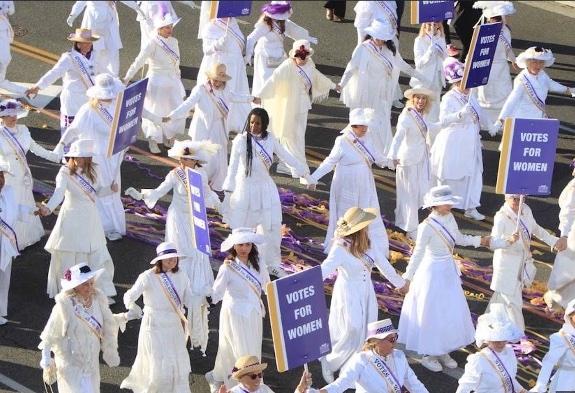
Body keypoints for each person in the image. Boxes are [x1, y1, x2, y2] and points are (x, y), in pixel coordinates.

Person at [124, 140, 221, 353]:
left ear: (195, 161)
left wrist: (221, 205)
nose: (182, 161)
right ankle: (178, 283)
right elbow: (159, 191)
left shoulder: (201, 177)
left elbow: (207, 195)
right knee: (181, 253)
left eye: (186, 158)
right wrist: (141, 195)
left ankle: (194, 289)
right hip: (177, 219)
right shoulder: (174, 175)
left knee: (197, 253)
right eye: (181, 158)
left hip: (196, 219)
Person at [398, 185, 507, 373]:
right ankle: (429, 353)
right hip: (431, 274)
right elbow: (417, 254)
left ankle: (442, 349)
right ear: (435, 205)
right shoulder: (426, 227)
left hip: (447, 270)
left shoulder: (449, 217)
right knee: (432, 313)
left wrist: (479, 241)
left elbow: (458, 239)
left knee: (447, 312)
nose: (450, 205)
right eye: (445, 203)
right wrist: (407, 278)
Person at [221, 108, 315, 278]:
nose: (253, 126)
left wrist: (305, 174)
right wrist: (228, 194)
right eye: (251, 122)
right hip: (246, 190)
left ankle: (272, 264)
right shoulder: (241, 141)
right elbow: (232, 168)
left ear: (264, 124)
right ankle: (241, 264)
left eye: (257, 123)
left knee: (271, 229)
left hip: (266, 189)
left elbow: (287, 157)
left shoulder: (270, 139)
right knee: (243, 230)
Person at [318, 207, 408, 383]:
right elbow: (324, 270)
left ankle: (351, 370)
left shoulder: (369, 243)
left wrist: (401, 284)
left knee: (367, 331)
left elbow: (384, 266)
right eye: (365, 225)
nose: (368, 227)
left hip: (366, 292)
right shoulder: (340, 248)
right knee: (352, 330)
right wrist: (300, 283)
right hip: (348, 294)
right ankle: (329, 363)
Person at [35, 139, 116, 301]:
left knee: (96, 252)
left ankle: (99, 291)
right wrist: (48, 209)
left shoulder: (95, 169)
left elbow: (97, 192)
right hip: (72, 217)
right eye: (77, 156)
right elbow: (58, 194)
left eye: (83, 156)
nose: (80, 159)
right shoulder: (65, 172)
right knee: (70, 253)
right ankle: (72, 290)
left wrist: (110, 189)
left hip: (90, 217)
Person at [38, 262, 138, 393]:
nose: (90, 287)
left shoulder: (98, 300)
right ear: (75, 287)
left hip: (91, 364)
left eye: (91, 283)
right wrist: (45, 357)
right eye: (85, 284)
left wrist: (125, 316)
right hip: (71, 364)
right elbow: (49, 334)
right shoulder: (64, 306)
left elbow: (106, 321)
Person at [309, 108, 390, 257]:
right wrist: (313, 178)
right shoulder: (342, 141)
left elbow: (377, 157)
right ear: (353, 126)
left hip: (365, 182)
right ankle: (344, 249)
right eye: (361, 126)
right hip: (346, 183)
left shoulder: (369, 138)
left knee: (368, 212)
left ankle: (370, 248)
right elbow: (329, 162)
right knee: (347, 214)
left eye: (366, 126)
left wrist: (391, 162)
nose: (364, 129)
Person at [55, 73, 127, 241]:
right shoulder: (88, 110)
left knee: (114, 188)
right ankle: (105, 227)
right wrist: (61, 144)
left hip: (114, 155)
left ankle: (115, 225)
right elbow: (73, 129)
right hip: (97, 156)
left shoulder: (118, 105)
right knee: (102, 187)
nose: (109, 97)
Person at [164, 63, 257, 191]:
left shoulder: (226, 89)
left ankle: (218, 182)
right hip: (203, 128)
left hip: (219, 126)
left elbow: (235, 96)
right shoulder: (201, 89)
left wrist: (251, 98)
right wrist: (172, 115)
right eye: (215, 80)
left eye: (220, 81)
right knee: (202, 155)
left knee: (219, 154)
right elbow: (187, 104)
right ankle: (200, 183)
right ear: (210, 78)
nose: (217, 83)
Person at [339, 19, 425, 157]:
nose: (379, 40)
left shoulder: (390, 50)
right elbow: (351, 67)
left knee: (382, 119)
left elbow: (402, 64)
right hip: (367, 90)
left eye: (382, 37)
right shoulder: (364, 48)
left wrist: (419, 76)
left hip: (382, 91)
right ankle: (362, 150)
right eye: (377, 36)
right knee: (366, 119)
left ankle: (383, 152)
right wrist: (342, 84)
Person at [121, 242, 194, 393]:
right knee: (156, 358)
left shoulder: (182, 275)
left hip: (174, 322)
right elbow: (129, 295)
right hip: (153, 323)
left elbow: (188, 298)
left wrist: (202, 302)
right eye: (168, 259)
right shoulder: (147, 276)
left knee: (174, 357)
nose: (172, 261)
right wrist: (132, 307)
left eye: (174, 258)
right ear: (160, 260)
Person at [257, 39, 336, 176]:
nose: (302, 59)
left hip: (303, 105)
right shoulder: (287, 66)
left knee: (298, 136)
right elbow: (273, 80)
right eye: (300, 56)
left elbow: (318, 77)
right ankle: (294, 166)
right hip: (289, 106)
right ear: (295, 55)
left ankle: (293, 165)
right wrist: (260, 95)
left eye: (304, 56)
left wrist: (333, 85)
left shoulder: (310, 65)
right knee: (290, 135)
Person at [430, 57, 495, 221]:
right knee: (451, 174)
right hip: (454, 141)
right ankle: (445, 204)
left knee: (473, 173)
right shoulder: (449, 98)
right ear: (455, 82)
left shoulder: (471, 95)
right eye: (461, 82)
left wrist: (492, 126)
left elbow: (481, 112)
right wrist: (459, 114)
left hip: (471, 140)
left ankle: (471, 206)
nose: (465, 86)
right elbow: (443, 120)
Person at [488, 194, 565, 332]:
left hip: (522, 262)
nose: (517, 201)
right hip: (507, 267)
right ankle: (518, 334)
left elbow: (535, 229)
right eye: (513, 198)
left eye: (520, 198)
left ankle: (488, 324)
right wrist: (508, 241)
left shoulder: (526, 210)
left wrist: (553, 241)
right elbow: (492, 244)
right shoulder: (501, 217)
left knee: (501, 298)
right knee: (514, 302)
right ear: (506, 197)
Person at [205, 228, 270, 391]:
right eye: (241, 244)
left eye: (248, 244)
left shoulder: (259, 262)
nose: (244, 248)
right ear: (234, 245)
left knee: (252, 348)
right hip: (235, 313)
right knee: (235, 349)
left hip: (253, 313)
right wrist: (205, 297)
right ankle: (236, 384)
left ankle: (252, 379)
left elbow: (267, 285)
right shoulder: (228, 267)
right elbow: (217, 293)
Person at [0, 99, 59, 249]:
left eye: (14, 114)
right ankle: (12, 240)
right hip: (8, 176)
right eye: (8, 115)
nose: (13, 118)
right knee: (12, 206)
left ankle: (27, 236)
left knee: (26, 202)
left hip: (24, 174)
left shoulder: (24, 129)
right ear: (2, 117)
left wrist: (55, 157)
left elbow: (35, 148)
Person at [123, 12, 186, 154]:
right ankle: (153, 140)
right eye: (166, 28)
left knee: (173, 110)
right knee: (155, 111)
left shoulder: (174, 42)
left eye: (170, 27)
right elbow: (138, 61)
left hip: (172, 81)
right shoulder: (152, 43)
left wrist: (178, 79)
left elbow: (177, 63)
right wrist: (127, 78)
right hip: (156, 81)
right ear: (158, 29)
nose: (169, 30)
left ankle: (169, 136)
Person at [309, 319, 429, 392]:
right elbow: (341, 384)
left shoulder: (399, 356)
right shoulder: (361, 360)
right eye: (390, 339)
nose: (395, 342)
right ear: (376, 342)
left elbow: (414, 384)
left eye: (395, 337)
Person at [25, 29, 105, 134]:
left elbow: (102, 72)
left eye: (90, 42)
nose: (89, 45)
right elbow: (54, 73)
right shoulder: (69, 58)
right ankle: (65, 149)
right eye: (85, 43)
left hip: (89, 97)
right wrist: (37, 87)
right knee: (70, 129)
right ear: (78, 44)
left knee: (88, 125)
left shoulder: (95, 54)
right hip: (73, 99)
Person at [388, 88, 439, 239]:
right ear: (412, 99)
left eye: (424, 99)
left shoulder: (423, 114)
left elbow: (431, 126)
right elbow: (398, 137)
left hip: (421, 157)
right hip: (408, 159)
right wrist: (393, 155)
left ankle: (404, 217)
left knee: (422, 189)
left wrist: (452, 120)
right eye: (418, 98)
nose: (421, 101)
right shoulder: (406, 116)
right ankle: (411, 228)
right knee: (409, 193)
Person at [197, 1, 251, 132]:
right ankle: (218, 124)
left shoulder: (233, 23)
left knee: (233, 95)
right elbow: (206, 50)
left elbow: (240, 42)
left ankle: (234, 123)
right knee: (219, 97)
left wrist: (246, 55)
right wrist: (218, 44)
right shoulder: (210, 27)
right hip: (219, 68)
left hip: (235, 67)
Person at [245, 1, 318, 95]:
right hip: (265, 54)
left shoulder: (284, 23)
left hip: (279, 54)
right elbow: (251, 38)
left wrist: (307, 38)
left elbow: (295, 31)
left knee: (280, 78)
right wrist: (248, 55)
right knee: (265, 79)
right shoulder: (264, 24)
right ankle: (262, 100)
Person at [495, 46, 574, 131]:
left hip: (538, 119)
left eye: (541, 62)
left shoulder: (542, 74)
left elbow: (551, 84)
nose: (538, 65)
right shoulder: (521, 80)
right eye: (534, 62)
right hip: (522, 120)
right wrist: (501, 120)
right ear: (527, 62)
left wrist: (569, 90)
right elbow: (512, 101)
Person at [456, 304, 526, 393]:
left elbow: (509, 379)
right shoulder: (478, 360)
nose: (500, 343)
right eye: (495, 340)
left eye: (503, 339)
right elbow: (464, 387)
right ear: (487, 340)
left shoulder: (509, 351)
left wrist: (522, 390)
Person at [67, 1, 145, 75]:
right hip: (93, 20)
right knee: (94, 50)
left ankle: (113, 77)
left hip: (109, 21)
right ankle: (92, 76)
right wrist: (72, 15)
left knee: (112, 50)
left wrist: (138, 9)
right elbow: (80, 3)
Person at [473, 1, 517, 125]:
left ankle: (502, 121)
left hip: (502, 66)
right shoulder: (483, 31)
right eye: (495, 19)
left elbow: (508, 48)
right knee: (486, 93)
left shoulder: (506, 31)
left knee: (503, 92)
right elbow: (477, 50)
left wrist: (513, 60)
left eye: (500, 18)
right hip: (487, 65)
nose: (499, 21)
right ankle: (484, 122)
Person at [0, 159, 33, 325]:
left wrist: (34, 211)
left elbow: (17, 209)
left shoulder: (9, 191)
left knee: (4, 280)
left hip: (6, 245)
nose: (1, 180)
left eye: (2, 176)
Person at [545, 161, 575, 309]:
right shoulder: (574, 188)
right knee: (567, 271)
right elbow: (567, 213)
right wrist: (564, 235)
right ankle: (554, 301)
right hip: (572, 235)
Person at [530, 299, 575, 392]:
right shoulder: (561, 338)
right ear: (570, 316)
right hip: (566, 383)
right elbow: (549, 362)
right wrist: (540, 386)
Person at [409, 22, 447, 121]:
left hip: (437, 78)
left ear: (439, 25)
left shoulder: (441, 39)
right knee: (421, 106)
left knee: (435, 106)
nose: (432, 27)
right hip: (424, 79)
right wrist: (429, 52)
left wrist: (443, 55)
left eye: (435, 24)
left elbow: (445, 58)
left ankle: (433, 130)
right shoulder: (419, 40)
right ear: (424, 25)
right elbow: (419, 63)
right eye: (429, 24)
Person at [219, 355, 312, 393]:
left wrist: (300, 389)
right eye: (253, 376)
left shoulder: (264, 389)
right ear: (240, 379)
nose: (258, 379)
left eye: (260, 375)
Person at [0, 1, 25, 96]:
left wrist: (5, 8)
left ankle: (1, 80)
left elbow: (11, 11)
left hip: (3, 31)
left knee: (5, 59)